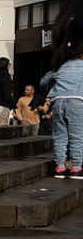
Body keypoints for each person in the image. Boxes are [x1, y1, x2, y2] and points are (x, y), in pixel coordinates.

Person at [41, 17, 83, 177]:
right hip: (77, 102)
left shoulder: (61, 67)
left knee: (60, 136)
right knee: (76, 136)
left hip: (58, 102)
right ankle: (76, 167)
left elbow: (44, 81)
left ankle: (59, 166)